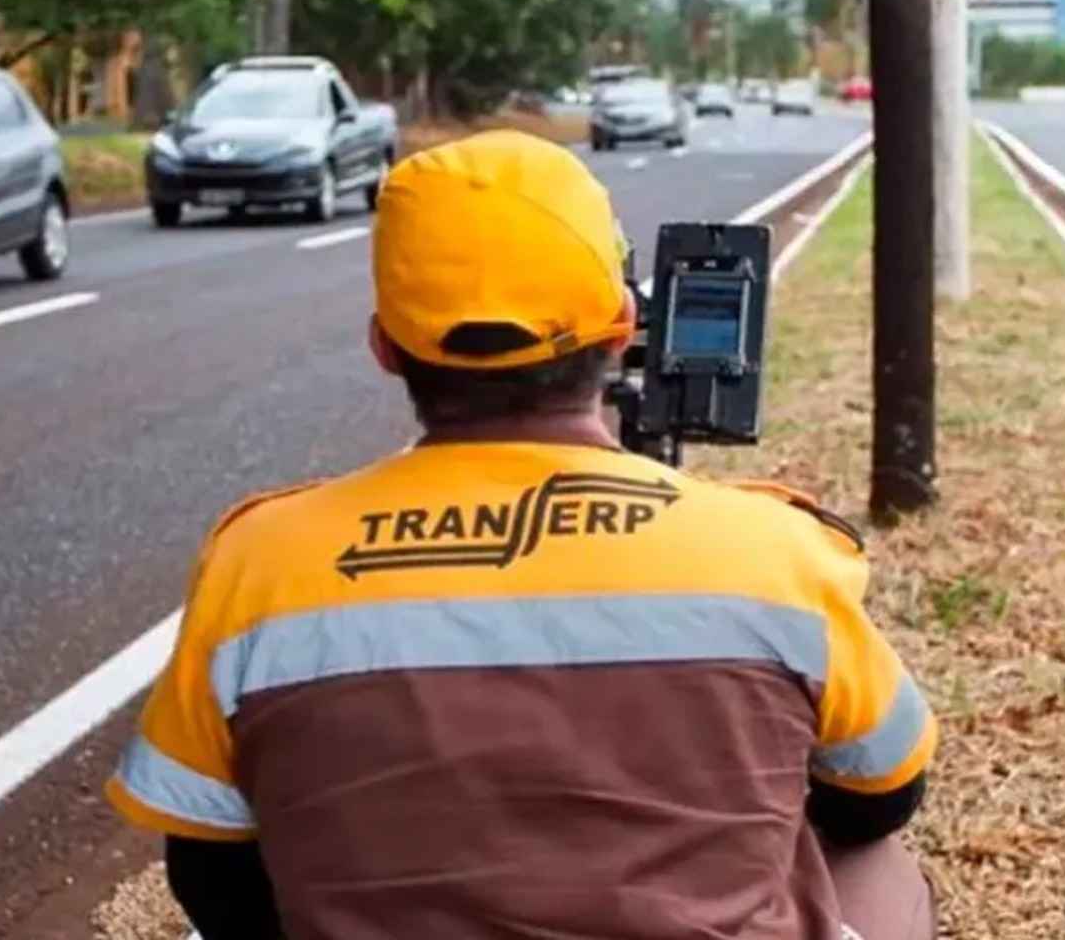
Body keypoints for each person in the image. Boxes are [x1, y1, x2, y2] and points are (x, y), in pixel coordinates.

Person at [106, 130, 938, 939]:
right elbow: (881, 794)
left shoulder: (259, 562)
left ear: (387, 349)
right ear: (621, 327)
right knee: (884, 869)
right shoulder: (773, 552)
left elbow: (209, 874)